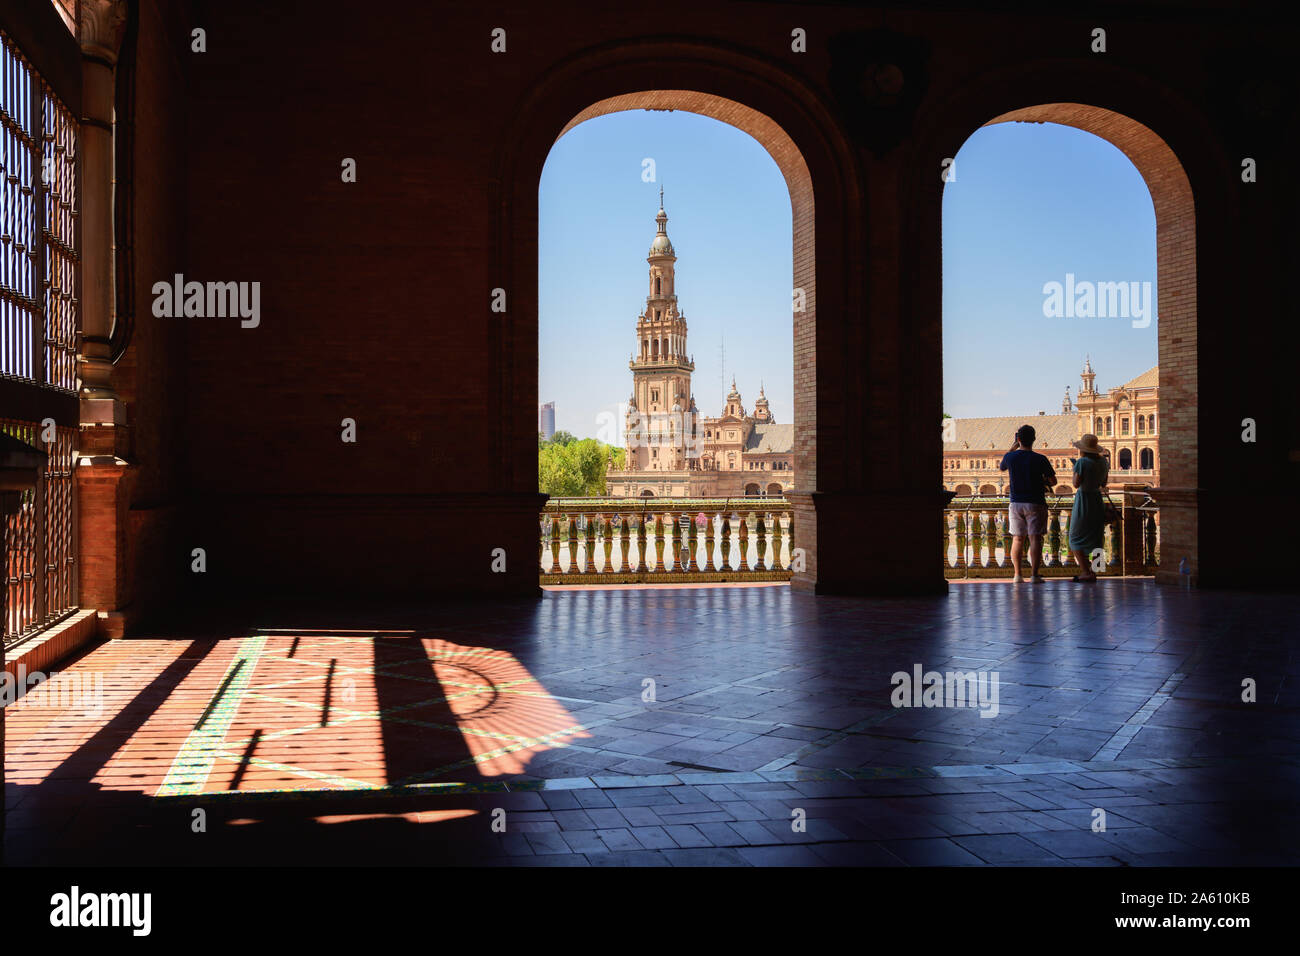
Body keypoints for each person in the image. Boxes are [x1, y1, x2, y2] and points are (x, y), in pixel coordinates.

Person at [998, 424, 1056, 583]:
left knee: (1017, 539)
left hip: (1016, 502)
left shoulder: (1010, 457)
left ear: (1018, 439)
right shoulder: (1040, 458)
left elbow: (1001, 467)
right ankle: (1035, 575)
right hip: (1036, 502)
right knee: (1035, 538)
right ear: (1034, 439)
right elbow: (1053, 481)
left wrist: (1012, 447)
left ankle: (1017, 575)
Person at [1067, 433, 1110, 582]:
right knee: (1097, 537)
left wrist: (1075, 470)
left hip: (1084, 500)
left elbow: (1076, 484)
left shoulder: (1081, 462)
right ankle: (1095, 571)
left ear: (1083, 449)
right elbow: (1103, 484)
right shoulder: (1104, 461)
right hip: (1097, 500)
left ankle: (1086, 572)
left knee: (1075, 537)